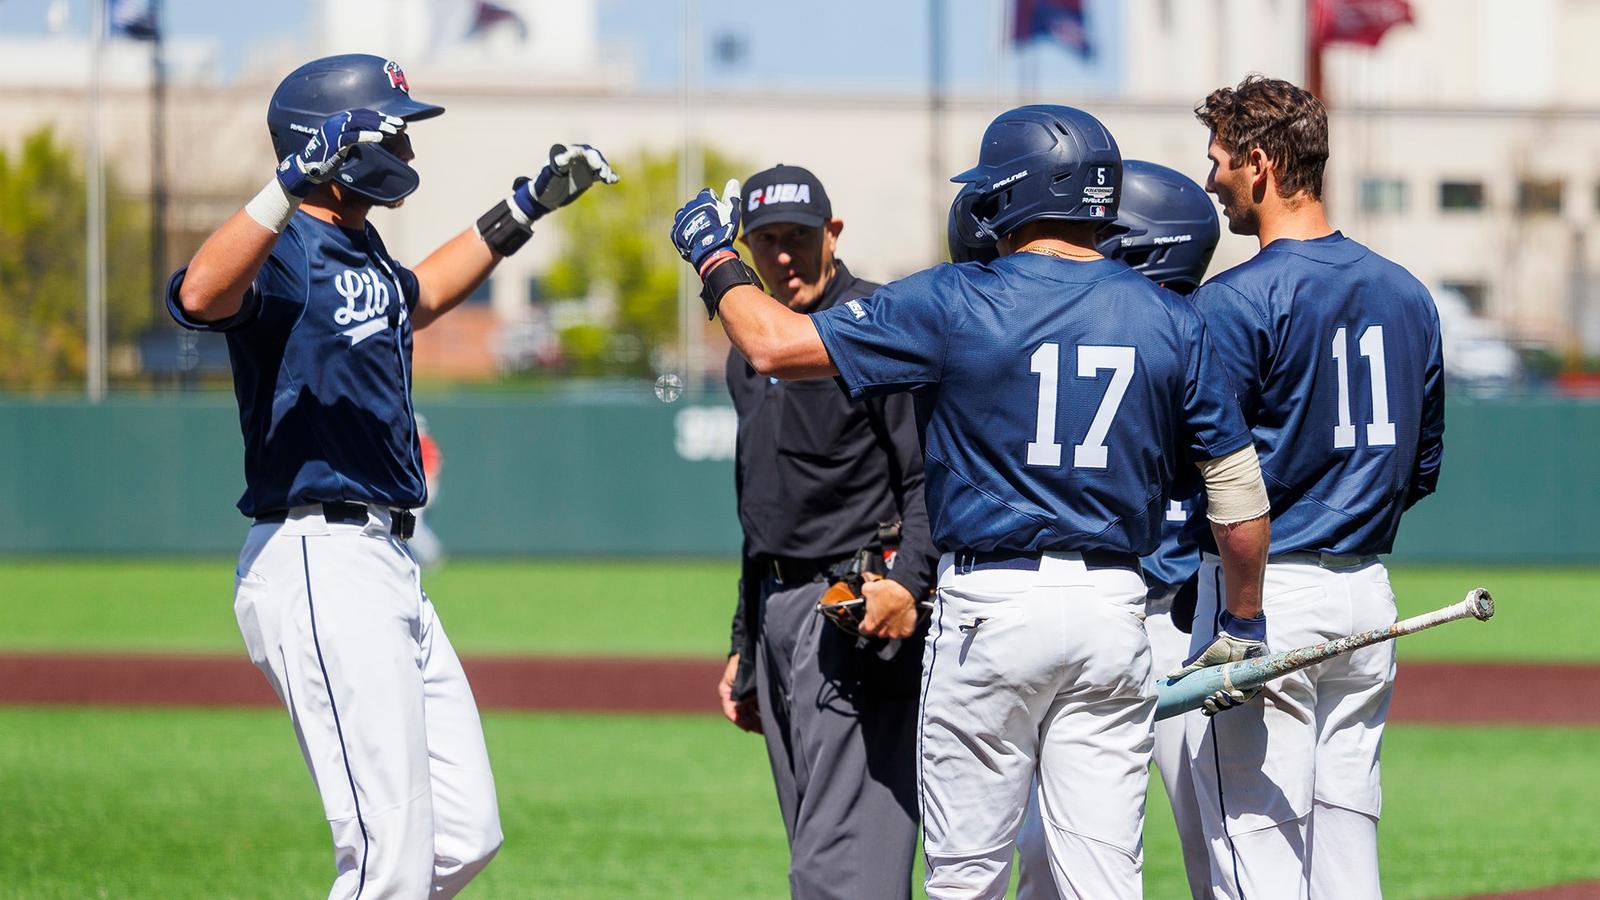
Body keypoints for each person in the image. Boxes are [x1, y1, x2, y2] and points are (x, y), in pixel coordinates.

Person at [672, 104, 1273, 899]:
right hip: (1113, 607)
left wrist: (715, 252)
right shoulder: (1169, 316)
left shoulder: (957, 298)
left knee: (968, 876)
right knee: (1102, 878)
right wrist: (1243, 622)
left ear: (1016, 194)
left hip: (992, 603)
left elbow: (772, 344)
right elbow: (1238, 496)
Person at [165, 54, 617, 898]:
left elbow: (422, 294)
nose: (406, 147)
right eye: (393, 129)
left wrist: (525, 207)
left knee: (463, 836)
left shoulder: (358, 246)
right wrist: (285, 181)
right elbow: (199, 295)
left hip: (385, 563)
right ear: (331, 144)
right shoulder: (288, 243)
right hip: (317, 556)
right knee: (389, 849)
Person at [1180, 75, 1446, 899]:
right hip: (1368, 593)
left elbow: (1223, 483)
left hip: (1268, 596)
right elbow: (1420, 469)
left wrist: (1242, 614)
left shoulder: (1232, 300)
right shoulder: (1409, 293)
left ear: (1259, 163)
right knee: (1344, 853)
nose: (1211, 178)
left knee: (1253, 852)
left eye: (1220, 159)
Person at [711, 163, 938, 900]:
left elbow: (926, 476)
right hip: (779, 608)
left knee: (842, 867)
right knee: (816, 842)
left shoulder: (871, 326)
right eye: (766, 240)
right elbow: (761, 512)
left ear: (832, 235)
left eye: (798, 238)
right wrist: (744, 644)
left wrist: (909, 583)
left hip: (853, 605)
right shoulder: (750, 355)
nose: (782, 256)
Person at [997, 160, 1223, 900]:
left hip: (1178, 621)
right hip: (1101, 615)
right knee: (1043, 852)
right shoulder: (1104, 324)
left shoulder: (1184, 334)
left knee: (1215, 841)